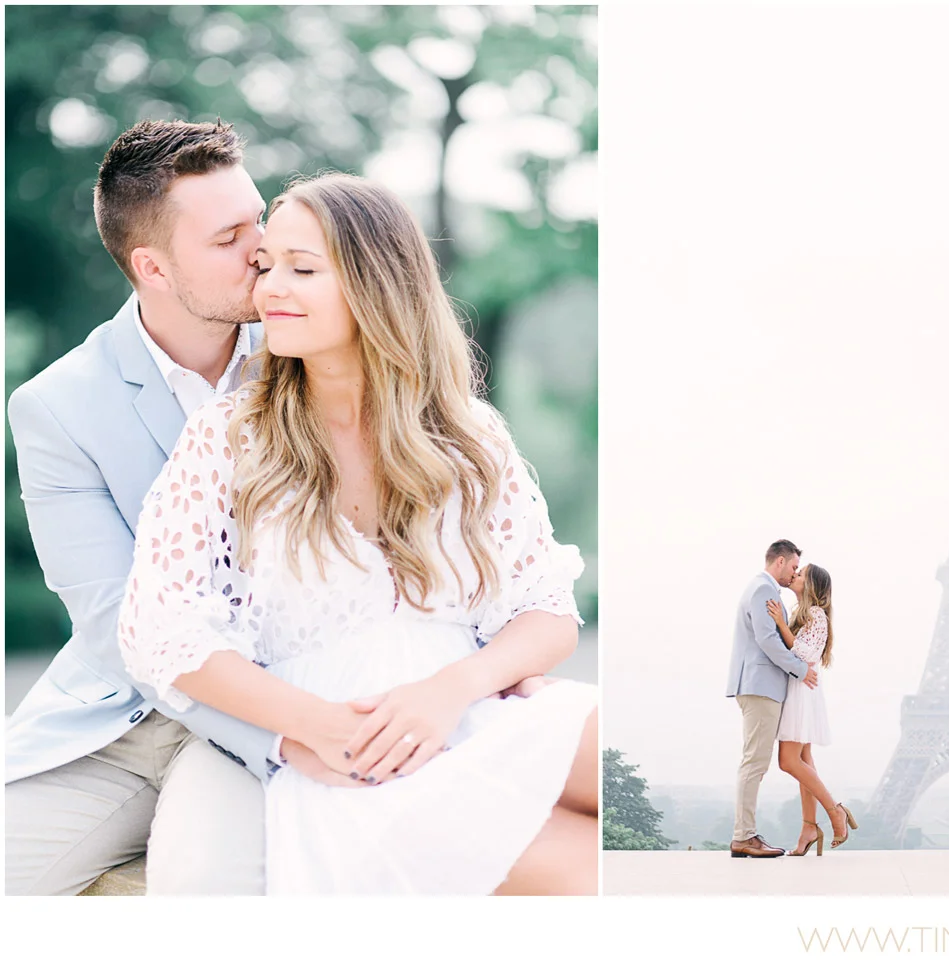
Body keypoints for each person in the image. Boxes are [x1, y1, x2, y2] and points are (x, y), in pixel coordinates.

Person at [117, 172, 599, 894]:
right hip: (355, 755)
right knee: (592, 870)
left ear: (377, 284)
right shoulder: (230, 436)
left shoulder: (468, 434)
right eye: (266, 264)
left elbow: (547, 608)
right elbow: (162, 632)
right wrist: (317, 728)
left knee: (631, 767)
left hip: (470, 707)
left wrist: (452, 688)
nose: (271, 287)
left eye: (302, 268)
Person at [5, 119, 279, 895]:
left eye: (258, 219)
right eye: (230, 236)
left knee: (202, 890)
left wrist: (292, 734)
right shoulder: (56, 406)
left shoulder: (308, 355)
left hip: (263, 709)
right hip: (116, 718)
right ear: (152, 266)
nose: (261, 248)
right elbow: (120, 625)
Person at [725, 539, 818, 857]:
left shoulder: (760, 589)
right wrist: (800, 669)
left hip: (758, 684)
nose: (794, 574)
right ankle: (744, 836)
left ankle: (746, 835)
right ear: (780, 561)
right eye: (793, 567)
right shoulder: (764, 591)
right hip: (761, 686)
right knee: (755, 762)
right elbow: (767, 639)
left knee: (755, 761)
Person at [768, 563, 856, 855]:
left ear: (812, 586)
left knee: (788, 761)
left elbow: (804, 654)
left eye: (801, 574)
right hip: (800, 689)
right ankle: (809, 826)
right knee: (804, 759)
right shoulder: (803, 614)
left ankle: (835, 812)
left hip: (801, 692)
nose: (795, 575)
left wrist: (781, 624)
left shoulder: (816, 615)